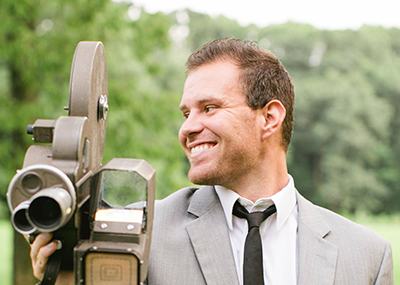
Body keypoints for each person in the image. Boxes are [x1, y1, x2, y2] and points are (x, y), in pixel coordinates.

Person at [30, 37, 393, 284]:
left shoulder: (367, 257)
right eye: (185, 113)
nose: (188, 129)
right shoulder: (138, 235)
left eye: (209, 108)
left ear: (269, 117)